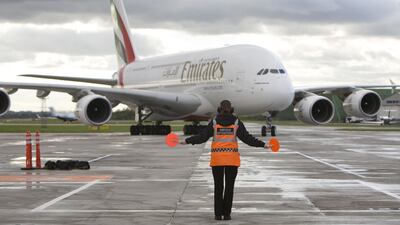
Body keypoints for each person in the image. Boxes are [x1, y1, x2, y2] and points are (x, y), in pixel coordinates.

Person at [181, 100, 270, 221]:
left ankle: (218, 215)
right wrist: (263, 144)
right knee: (229, 187)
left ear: (219, 108)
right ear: (231, 109)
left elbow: (202, 137)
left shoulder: (214, 122)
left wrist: (187, 140)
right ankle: (227, 214)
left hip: (217, 160)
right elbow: (247, 138)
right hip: (232, 160)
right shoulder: (237, 122)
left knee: (218, 187)